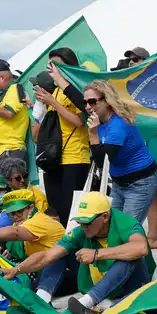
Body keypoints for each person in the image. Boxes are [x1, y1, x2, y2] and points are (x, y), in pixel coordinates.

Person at [1, 192, 152, 314]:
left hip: (130, 288)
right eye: (80, 221)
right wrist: (15, 270)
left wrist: (96, 254)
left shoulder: (126, 223)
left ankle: (86, 304)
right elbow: (47, 256)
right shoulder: (81, 232)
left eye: (87, 222)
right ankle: (42, 299)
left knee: (130, 255)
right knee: (60, 253)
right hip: (99, 287)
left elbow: (141, 248)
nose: (83, 226)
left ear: (105, 216)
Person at [83, 80, 157, 223]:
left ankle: (140, 245)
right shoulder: (98, 120)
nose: (87, 107)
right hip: (119, 183)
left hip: (140, 182)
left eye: (92, 101)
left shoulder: (117, 125)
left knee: (127, 229)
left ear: (107, 100)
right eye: (85, 102)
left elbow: (102, 161)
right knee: (113, 227)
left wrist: (92, 134)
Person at [37, 52, 92, 225]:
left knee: (72, 211)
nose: (51, 69)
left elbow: (79, 121)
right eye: (49, 65)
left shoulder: (77, 89)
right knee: (56, 210)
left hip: (74, 156)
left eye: (56, 65)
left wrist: (53, 103)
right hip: (54, 158)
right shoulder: (57, 91)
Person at [0, 188, 68, 282]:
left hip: (60, 271)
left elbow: (16, 233)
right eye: (12, 213)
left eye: (19, 211)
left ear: (31, 207)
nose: (15, 216)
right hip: (37, 268)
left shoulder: (39, 220)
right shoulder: (19, 223)